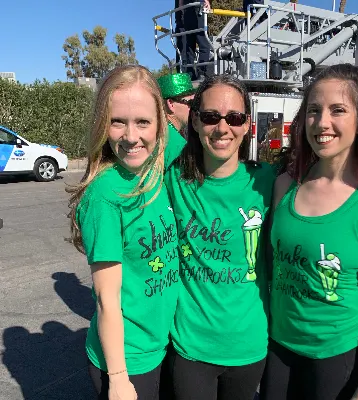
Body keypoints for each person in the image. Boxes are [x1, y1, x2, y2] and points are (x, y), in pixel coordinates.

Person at [260, 63, 358, 400]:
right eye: (313, 110)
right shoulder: (284, 186)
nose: (322, 123)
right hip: (278, 350)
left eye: (338, 110)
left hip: (337, 361)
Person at [67, 65, 184, 400]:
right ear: (104, 124)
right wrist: (118, 379)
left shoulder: (157, 162)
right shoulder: (105, 195)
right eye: (118, 121)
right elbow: (106, 299)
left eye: (143, 122)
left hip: (165, 343)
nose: (131, 136)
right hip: (129, 356)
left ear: (161, 123)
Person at [164, 74, 276, 400]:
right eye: (211, 116)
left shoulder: (268, 183)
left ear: (247, 125)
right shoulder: (173, 178)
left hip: (250, 344)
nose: (222, 127)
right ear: (196, 122)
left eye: (235, 117)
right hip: (191, 346)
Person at [157, 72, 196, 139]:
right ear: (171, 104)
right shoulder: (175, 143)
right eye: (191, 102)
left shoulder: (158, 131)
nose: (194, 108)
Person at [181, 0, 213, 81]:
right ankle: (201, 72)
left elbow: (181, 2)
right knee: (204, 45)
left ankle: (190, 74)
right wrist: (206, 1)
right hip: (197, 8)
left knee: (189, 45)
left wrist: (182, 7)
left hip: (187, 10)